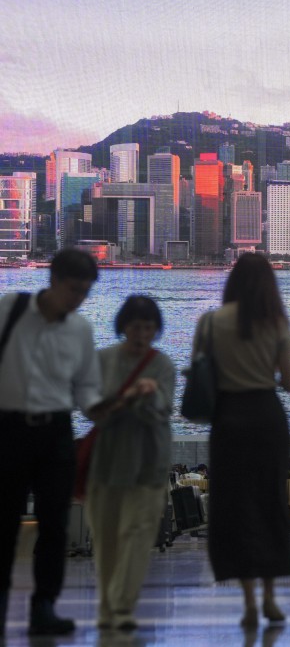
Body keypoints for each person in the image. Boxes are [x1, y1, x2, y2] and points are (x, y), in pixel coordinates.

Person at [0, 249, 104, 637]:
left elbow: (87, 389)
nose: (79, 299)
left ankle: (44, 604)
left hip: (56, 433)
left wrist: (107, 414)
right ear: (54, 280)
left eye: (86, 292)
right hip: (8, 428)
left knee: (55, 524)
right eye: (75, 289)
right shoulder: (10, 310)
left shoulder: (80, 330)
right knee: (4, 521)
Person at [193, 253, 290, 629]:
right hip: (267, 417)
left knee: (234, 506)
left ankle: (249, 600)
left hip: (228, 419)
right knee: (269, 501)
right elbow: (289, 382)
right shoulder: (277, 324)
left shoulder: (210, 323)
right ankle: (271, 597)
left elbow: (200, 372)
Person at [87, 295, 175, 631]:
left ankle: (122, 605)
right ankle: (108, 606)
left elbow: (164, 409)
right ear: (124, 326)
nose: (142, 335)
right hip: (108, 459)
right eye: (136, 327)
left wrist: (149, 395)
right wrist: (124, 400)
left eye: (149, 328)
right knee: (106, 536)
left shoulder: (162, 365)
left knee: (137, 534)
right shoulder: (103, 359)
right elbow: (91, 407)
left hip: (149, 462)